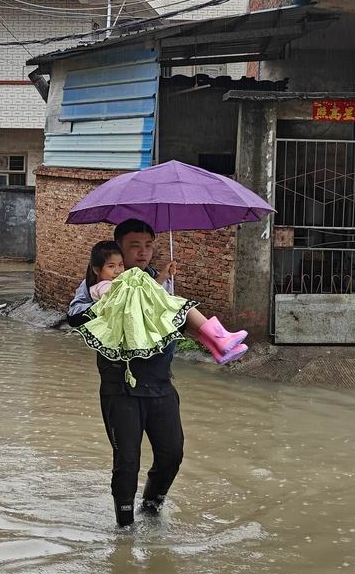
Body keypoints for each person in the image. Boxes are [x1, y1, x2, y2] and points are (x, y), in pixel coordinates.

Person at [67, 220, 245, 529]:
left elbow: (174, 320)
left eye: (148, 246)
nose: (143, 252)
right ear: (119, 249)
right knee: (127, 461)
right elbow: (74, 316)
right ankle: (125, 530)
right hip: (121, 387)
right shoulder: (102, 282)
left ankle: (152, 509)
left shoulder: (155, 281)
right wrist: (112, 303)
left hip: (161, 384)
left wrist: (166, 295)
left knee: (172, 455)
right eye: (134, 246)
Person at [82, 240, 248, 365]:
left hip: (139, 316)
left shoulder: (116, 283)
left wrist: (162, 277)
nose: (118, 271)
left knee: (183, 319)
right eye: (111, 266)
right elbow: (128, 297)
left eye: (120, 265)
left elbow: (141, 294)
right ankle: (221, 338)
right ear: (97, 270)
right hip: (134, 321)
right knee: (181, 306)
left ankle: (217, 349)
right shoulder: (104, 287)